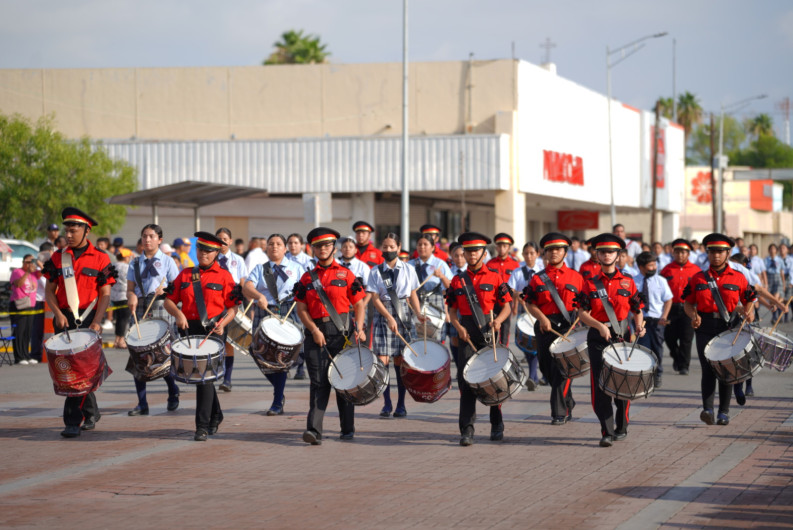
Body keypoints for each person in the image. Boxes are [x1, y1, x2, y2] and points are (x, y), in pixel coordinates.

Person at [42, 207, 116, 438]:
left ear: (87, 230)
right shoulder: (58, 257)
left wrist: (97, 321)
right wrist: (57, 313)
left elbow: (105, 294)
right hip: (63, 318)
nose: (69, 234)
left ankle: (72, 421)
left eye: (74, 230)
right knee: (70, 372)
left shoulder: (101, 258)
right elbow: (49, 290)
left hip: (88, 318)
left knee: (81, 371)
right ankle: (90, 412)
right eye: (67, 230)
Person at [294, 227, 367, 444]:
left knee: (344, 381)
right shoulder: (307, 277)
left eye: (327, 245)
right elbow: (301, 309)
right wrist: (314, 330)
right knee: (318, 383)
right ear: (313, 249)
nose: (323, 249)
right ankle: (314, 431)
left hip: (342, 334)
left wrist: (360, 328)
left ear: (333, 247)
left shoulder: (346, 274)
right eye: (318, 246)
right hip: (315, 334)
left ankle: (347, 428)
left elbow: (359, 304)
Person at [164, 232, 239, 441]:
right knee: (201, 377)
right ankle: (216, 415)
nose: (203, 254)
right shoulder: (186, 274)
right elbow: (168, 301)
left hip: (214, 330)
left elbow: (233, 307)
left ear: (216, 253)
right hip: (188, 328)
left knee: (204, 377)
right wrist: (178, 314)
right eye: (200, 249)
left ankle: (202, 426)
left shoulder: (224, 276)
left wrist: (223, 324)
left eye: (208, 251)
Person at [578, 234, 645, 447]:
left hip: (622, 337)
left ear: (618, 255)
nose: (607, 255)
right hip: (598, 339)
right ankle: (606, 431)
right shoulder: (589, 284)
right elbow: (581, 313)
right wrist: (598, 326)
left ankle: (621, 424)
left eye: (611, 252)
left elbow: (637, 309)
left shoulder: (628, 281)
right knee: (600, 385)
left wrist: (639, 325)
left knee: (622, 382)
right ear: (597, 255)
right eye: (603, 252)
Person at [683, 234, 756, 427]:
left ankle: (724, 412)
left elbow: (749, 302)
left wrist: (750, 314)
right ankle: (707, 410)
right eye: (712, 251)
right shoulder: (698, 278)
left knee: (726, 370)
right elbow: (688, 303)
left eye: (720, 252)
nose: (716, 255)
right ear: (707, 253)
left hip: (729, 327)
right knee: (707, 369)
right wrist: (694, 316)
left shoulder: (739, 278)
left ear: (728, 253)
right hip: (705, 327)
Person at [446, 232, 512, 446]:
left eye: (476, 251)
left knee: (494, 381)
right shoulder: (457, 281)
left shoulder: (495, 277)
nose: (472, 254)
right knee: (466, 382)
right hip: (467, 334)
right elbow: (452, 311)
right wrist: (458, 328)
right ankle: (466, 430)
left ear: (484, 252)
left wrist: (499, 321)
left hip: (489, 331)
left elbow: (507, 307)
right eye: (468, 251)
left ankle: (497, 424)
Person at [523, 234, 584, 422]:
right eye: (550, 249)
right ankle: (568, 401)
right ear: (546, 253)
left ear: (565, 252)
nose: (554, 252)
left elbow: (584, 304)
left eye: (558, 249)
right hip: (544, 327)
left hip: (568, 327)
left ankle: (559, 413)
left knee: (562, 372)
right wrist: (542, 318)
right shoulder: (537, 278)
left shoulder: (577, 277)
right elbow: (530, 303)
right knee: (547, 370)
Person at [244, 233, 305, 415]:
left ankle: (277, 400)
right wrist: (258, 296)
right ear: (266, 248)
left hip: (288, 311)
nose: (274, 247)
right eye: (270, 244)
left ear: (285, 249)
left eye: (278, 244)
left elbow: (306, 288)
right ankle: (278, 390)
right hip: (265, 310)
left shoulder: (296, 268)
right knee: (256, 351)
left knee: (281, 357)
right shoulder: (260, 269)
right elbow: (247, 286)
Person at [126, 224, 182, 416]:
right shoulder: (134, 263)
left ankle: (173, 391)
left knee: (162, 355)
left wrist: (165, 290)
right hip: (141, 307)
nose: (147, 240)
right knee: (138, 354)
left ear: (159, 239)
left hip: (161, 306)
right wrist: (131, 296)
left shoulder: (168, 262)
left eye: (151, 236)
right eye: (144, 236)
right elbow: (130, 289)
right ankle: (142, 403)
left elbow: (177, 289)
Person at [369, 233, 425, 418]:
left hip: (403, 314)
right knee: (382, 361)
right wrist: (388, 317)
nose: (388, 250)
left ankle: (401, 404)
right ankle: (386, 403)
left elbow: (413, 294)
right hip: (383, 315)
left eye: (391, 247)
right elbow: (375, 298)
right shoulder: (375, 271)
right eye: (385, 247)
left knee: (400, 362)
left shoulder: (409, 269)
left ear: (399, 247)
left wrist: (418, 313)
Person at [215, 227, 249, 392]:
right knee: (215, 340)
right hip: (215, 303)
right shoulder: (211, 259)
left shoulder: (238, 260)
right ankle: (214, 373)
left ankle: (227, 379)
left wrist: (240, 298)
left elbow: (242, 281)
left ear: (230, 241)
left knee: (229, 341)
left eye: (225, 239)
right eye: (219, 239)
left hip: (232, 303)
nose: (222, 242)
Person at [660, 239, 701, 376]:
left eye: (683, 252)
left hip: (688, 308)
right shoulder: (667, 269)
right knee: (669, 337)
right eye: (677, 252)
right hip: (671, 308)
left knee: (686, 338)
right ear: (673, 253)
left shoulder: (696, 271)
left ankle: (684, 365)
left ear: (688, 254)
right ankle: (676, 356)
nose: (680, 255)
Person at [634, 251, 673, 388]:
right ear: (641, 267)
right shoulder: (633, 281)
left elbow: (668, 300)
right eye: (650, 265)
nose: (654, 268)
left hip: (657, 321)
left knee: (657, 349)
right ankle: (645, 376)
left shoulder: (660, 281)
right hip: (641, 321)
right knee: (643, 349)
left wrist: (664, 316)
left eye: (654, 265)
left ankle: (657, 374)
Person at [508, 242, 541, 387]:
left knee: (539, 343)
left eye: (532, 253)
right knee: (527, 342)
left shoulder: (542, 271)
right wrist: (517, 295)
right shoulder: (518, 272)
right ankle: (533, 376)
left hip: (540, 310)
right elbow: (509, 289)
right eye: (526, 253)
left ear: (537, 254)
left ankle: (535, 375)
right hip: (524, 310)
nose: (529, 256)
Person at [409, 235, 452, 342]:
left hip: (435, 305)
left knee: (435, 340)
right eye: (419, 244)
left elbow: (450, 287)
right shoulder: (410, 265)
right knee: (416, 339)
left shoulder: (440, 264)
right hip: (415, 304)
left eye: (425, 244)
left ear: (433, 247)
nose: (422, 247)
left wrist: (442, 276)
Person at [486, 233, 520, 346]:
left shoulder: (515, 265)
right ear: (496, 247)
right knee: (493, 326)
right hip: (493, 300)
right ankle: (493, 349)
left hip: (507, 300)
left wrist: (515, 305)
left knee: (505, 328)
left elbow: (517, 288)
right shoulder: (490, 264)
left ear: (509, 248)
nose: (501, 249)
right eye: (499, 246)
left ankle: (504, 350)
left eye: (504, 246)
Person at [10, 254, 39, 365]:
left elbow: (44, 272)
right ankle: (19, 356)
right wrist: (27, 272)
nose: (30, 264)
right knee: (19, 331)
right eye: (28, 262)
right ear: (23, 262)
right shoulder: (17, 272)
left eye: (32, 262)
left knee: (27, 331)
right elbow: (18, 284)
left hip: (31, 304)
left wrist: (38, 262)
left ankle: (26, 355)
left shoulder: (34, 274)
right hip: (19, 305)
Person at [30, 243, 53, 362]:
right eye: (49, 252)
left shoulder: (50, 267)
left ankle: (48, 354)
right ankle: (35, 354)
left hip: (50, 303)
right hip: (40, 302)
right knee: (37, 330)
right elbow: (45, 284)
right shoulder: (38, 269)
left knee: (49, 331)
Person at [111, 248, 132, 349]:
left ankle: (116, 339)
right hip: (125, 295)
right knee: (124, 319)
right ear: (126, 257)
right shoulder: (127, 267)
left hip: (114, 295)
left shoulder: (112, 266)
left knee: (118, 318)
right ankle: (121, 340)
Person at [765, 243, 785, 322]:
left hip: (778, 279)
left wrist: (783, 284)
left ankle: (777, 316)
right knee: (771, 298)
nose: (772, 250)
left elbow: (782, 272)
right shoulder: (766, 260)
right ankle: (774, 316)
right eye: (771, 249)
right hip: (769, 278)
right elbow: (764, 272)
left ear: (776, 250)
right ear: (769, 250)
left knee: (776, 298)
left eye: (774, 249)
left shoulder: (779, 259)